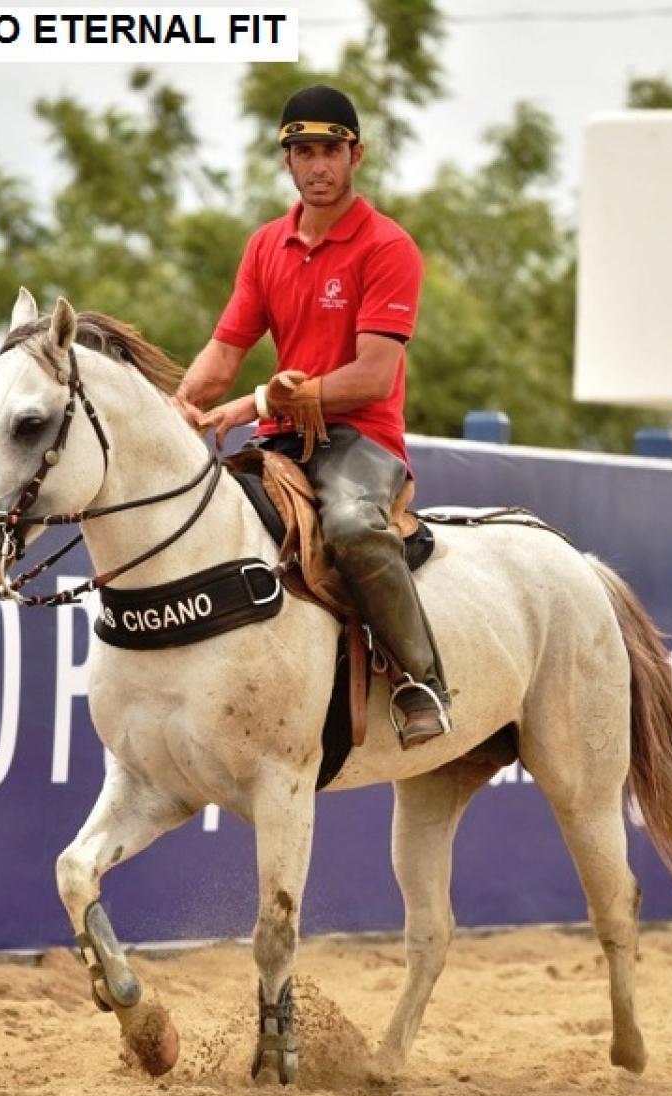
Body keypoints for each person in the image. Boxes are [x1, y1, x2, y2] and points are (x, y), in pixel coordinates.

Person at [174, 84, 449, 747]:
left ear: (357, 155)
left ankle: (421, 682)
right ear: (286, 161)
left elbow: (372, 377)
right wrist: (179, 407)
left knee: (352, 527)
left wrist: (261, 401)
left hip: (362, 441)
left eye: (330, 151)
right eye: (304, 153)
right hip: (281, 442)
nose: (317, 166)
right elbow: (223, 353)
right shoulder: (266, 245)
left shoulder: (387, 247)